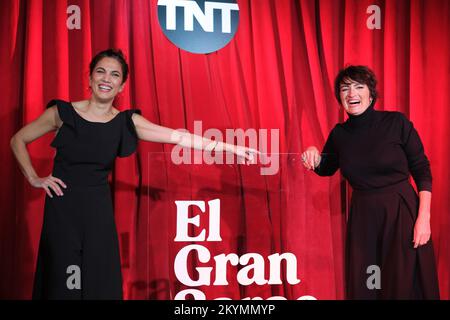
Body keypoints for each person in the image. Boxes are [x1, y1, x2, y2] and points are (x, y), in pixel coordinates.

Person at [10, 48, 258, 300]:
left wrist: (228, 147)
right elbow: (18, 139)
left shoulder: (126, 122)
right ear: (89, 78)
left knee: (99, 281)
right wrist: (33, 177)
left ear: (121, 86)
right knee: (60, 283)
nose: (106, 79)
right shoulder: (62, 114)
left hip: (98, 212)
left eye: (114, 75)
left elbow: (178, 136)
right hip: (62, 209)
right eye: (101, 72)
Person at [301, 65, 440, 299]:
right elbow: (324, 167)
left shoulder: (396, 122)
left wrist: (423, 218)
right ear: (340, 98)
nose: (351, 93)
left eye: (358, 86)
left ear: (371, 94)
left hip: (401, 212)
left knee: (403, 282)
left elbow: (422, 171)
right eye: (345, 88)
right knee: (367, 284)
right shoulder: (339, 135)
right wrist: (313, 152)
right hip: (363, 217)